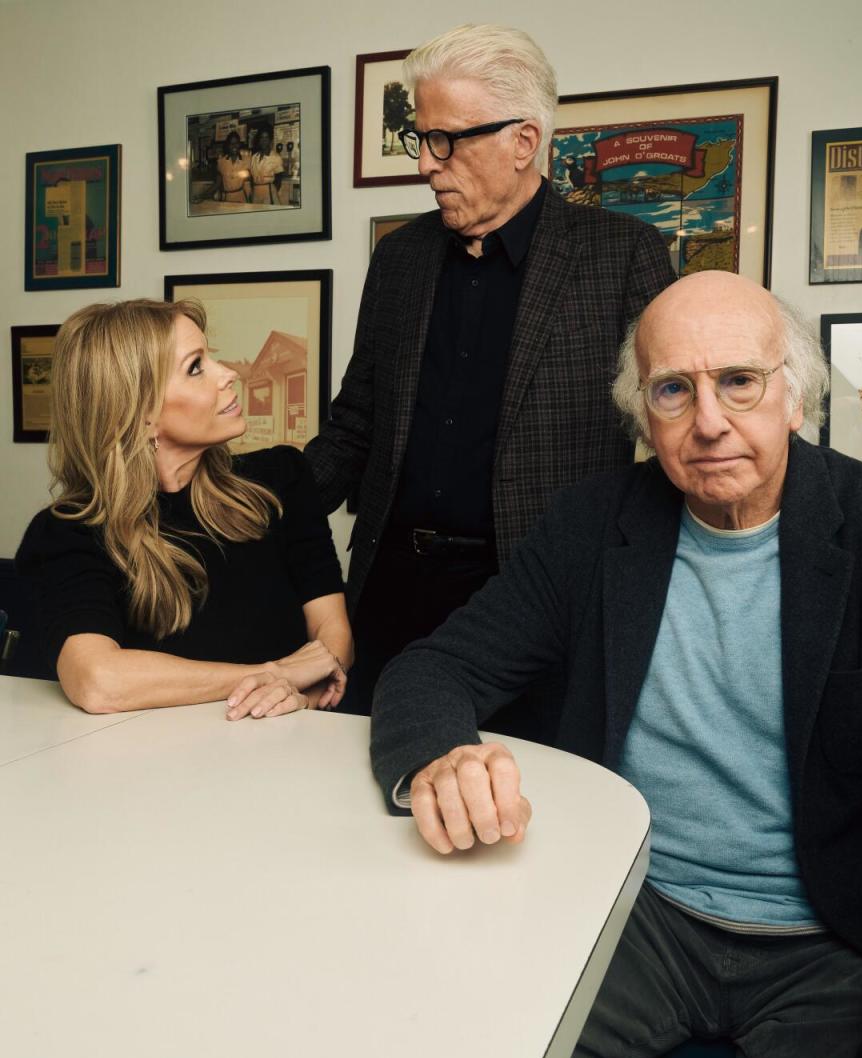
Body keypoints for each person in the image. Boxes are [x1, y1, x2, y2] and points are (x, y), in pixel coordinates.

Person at [370, 271, 862, 1058]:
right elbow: (433, 670)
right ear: (643, 413)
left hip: (826, 942)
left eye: (739, 380)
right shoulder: (591, 524)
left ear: (793, 393)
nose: (709, 419)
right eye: (673, 389)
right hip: (642, 917)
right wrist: (440, 758)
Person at [304, 23, 674, 714]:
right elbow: (354, 426)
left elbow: (671, 432)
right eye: (423, 140)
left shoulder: (621, 254)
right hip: (389, 590)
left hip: (538, 601)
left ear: (523, 141)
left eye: (447, 141)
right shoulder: (400, 259)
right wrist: (249, 508)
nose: (425, 164)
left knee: (521, 806)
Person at [16, 298, 351, 720]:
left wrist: (316, 678)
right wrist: (275, 673)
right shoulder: (68, 533)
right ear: (141, 416)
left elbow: (331, 631)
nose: (229, 373)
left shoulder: (282, 479)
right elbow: (98, 680)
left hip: (289, 742)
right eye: (196, 367)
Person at [249, 129, 284, 204]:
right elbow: (252, 177)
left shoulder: (276, 157)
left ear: (270, 140)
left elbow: (279, 180)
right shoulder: (254, 157)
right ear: (258, 140)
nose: (264, 140)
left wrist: (272, 193)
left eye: (266, 138)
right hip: (256, 193)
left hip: (269, 194)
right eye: (261, 137)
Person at [216, 131, 251, 203]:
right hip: (226, 199)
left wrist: (249, 200)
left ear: (239, 144)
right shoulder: (221, 162)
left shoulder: (246, 160)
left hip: (241, 198)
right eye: (231, 144)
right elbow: (218, 183)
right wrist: (204, 194)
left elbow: (247, 183)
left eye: (236, 143)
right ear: (228, 146)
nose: (234, 146)